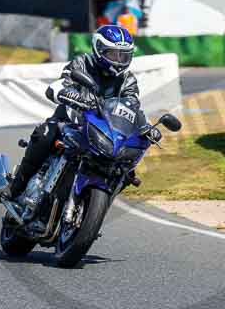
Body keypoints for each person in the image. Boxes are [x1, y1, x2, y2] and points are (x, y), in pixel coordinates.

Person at [8, 25, 140, 199]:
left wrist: (143, 126)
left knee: (126, 168)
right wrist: (71, 94)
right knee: (45, 134)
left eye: (123, 55)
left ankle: (94, 207)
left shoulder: (127, 80)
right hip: (70, 122)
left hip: (103, 132)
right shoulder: (82, 64)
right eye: (113, 54)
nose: (118, 60)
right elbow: (60, 85)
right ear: (99, 49)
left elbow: (132, 105)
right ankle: (16, 187)